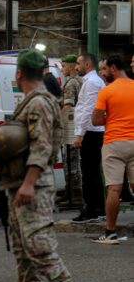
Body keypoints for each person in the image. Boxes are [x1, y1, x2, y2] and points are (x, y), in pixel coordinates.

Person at [0, 49, 79, 282]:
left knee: (41, 250)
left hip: (33, 186)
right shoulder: (32, 100)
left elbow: (41, 145)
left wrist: (28, 183)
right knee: (23, 255)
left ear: (18, 73)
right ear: (42, 72)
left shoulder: (39, 102)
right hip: (18, 185)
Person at [91, 55, 134, 245]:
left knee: (114, 188)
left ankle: (110, 232)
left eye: (105, 69)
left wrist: (109, 116)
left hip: (114, 142)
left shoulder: (107, 91)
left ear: (114, 68)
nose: (104, 73)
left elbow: (96, 120)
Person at [72, 53, 105, 223]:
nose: (76, 67)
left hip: (90, 132)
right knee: (93, 172)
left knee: (88, 172)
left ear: (87, 64)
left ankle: (91, 210)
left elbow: (88, 110)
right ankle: (98, 208)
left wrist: (79, 134)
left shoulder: (91, 83)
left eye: (78, 63)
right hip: (94, 131)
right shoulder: (94, 82)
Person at [58, 54, 83, 206]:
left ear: (72, 66)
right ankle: (73, 193)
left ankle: (74, 196)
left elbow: (68, 106)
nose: (62, 69)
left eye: (64, 66)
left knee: (71, 162)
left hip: (71, 127)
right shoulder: (82, 81)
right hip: (80, 127)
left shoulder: (70, 84)